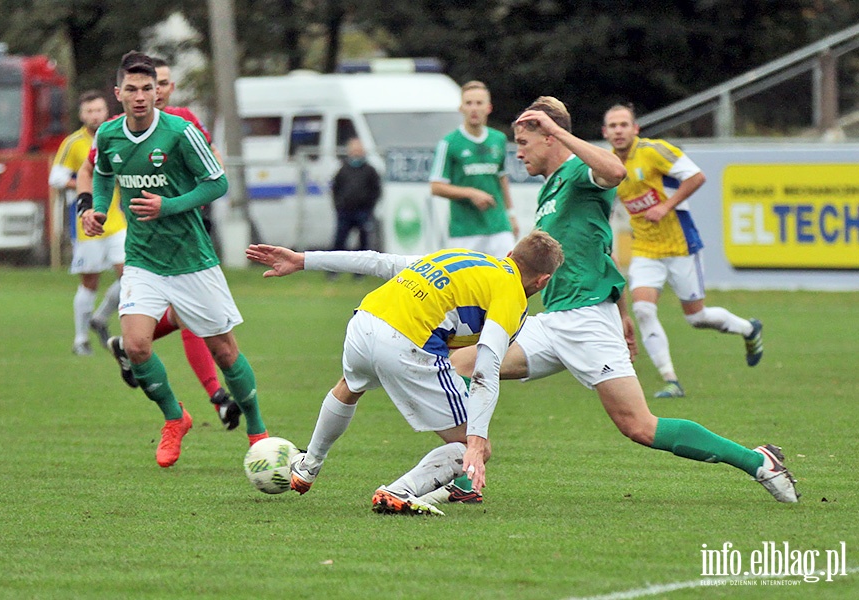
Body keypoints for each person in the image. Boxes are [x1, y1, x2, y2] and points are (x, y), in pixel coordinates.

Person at [449, 96, 798, 504]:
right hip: (554, 321)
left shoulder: (580, 171)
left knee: (639, 426)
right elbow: (603, 252)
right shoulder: (554, 186)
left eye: (525, 142)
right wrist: (625, 313)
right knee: (459, 367)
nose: (519, 152)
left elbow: (616, 170)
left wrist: (559, 130)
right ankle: (462, 473)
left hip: (586, 322)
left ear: (549, 137)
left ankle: (758, 461)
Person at [245, 230, 562, 514]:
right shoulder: (512, 294)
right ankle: (398, 492)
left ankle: (306, 468)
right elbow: (487, 367)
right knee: (472, 446)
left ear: (509, 256)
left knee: (349, 386)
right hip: (407, 343)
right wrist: (477, 443)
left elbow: (377, 262)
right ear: (542, 281)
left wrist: (304, 260)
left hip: (365, 321)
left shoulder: (463, 258)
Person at [80, 51, 268, 467]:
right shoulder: (108, 135)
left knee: (225, 351)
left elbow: (217, 183)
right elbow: (103, 173)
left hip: (192, 260)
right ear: (119, 94)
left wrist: (169, 206)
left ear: (157, 92)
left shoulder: (181, 132)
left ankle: (258, 430)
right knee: (135, 346)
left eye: (148, 88)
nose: (141, 96)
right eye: (132, 89)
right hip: (143, 260)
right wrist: (94, 209)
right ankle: (174, 418)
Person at [602, 104, 763, 398]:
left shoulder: (654, 151)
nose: (618, 130)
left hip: (680, 244)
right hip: (646, 249)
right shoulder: (609, 166)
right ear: (605, 132)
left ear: (635, 128)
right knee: (643, 309)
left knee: (696, 317)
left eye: (624, 124)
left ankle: (748, 329)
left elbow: (696, 176)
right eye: (612, 126)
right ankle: (671, 380)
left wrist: (665, 205)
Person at [49, 90, 123, 355]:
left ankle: (100, 317)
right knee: (89, 281)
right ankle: (80, 340)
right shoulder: (74, 143)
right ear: (82, 115)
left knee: (132, 276)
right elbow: (55, 178)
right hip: (86, 223)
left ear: (107, 111)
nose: (95, 115)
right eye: (90, 111)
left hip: (117, 221)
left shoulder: (116, 136)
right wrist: (82, 185)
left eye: (99, 110)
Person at [430, 80, 519, 257]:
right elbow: (436, 186)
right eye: (469, 103)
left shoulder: (498, 139)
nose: (474, 108)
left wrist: (511, 214)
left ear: (489, 108)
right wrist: (471, 193)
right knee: (465, 282)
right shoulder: (449, 143)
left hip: (498, 226)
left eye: (479, 103)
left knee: (507, 277)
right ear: (461, 108)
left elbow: (501, 178)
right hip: (465, 230)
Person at [330, 137, 381, 263]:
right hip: (345, 211)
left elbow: (376, 190)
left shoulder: (370, 170)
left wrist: (369, 206)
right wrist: (338, 205)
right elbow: (335, 188)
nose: (356, 152)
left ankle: (360, 272)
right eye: (353, 149)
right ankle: (334, 269)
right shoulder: (343, 169)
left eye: (359, 149)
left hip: (363, 211)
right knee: (339, 241)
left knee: (363, 242)